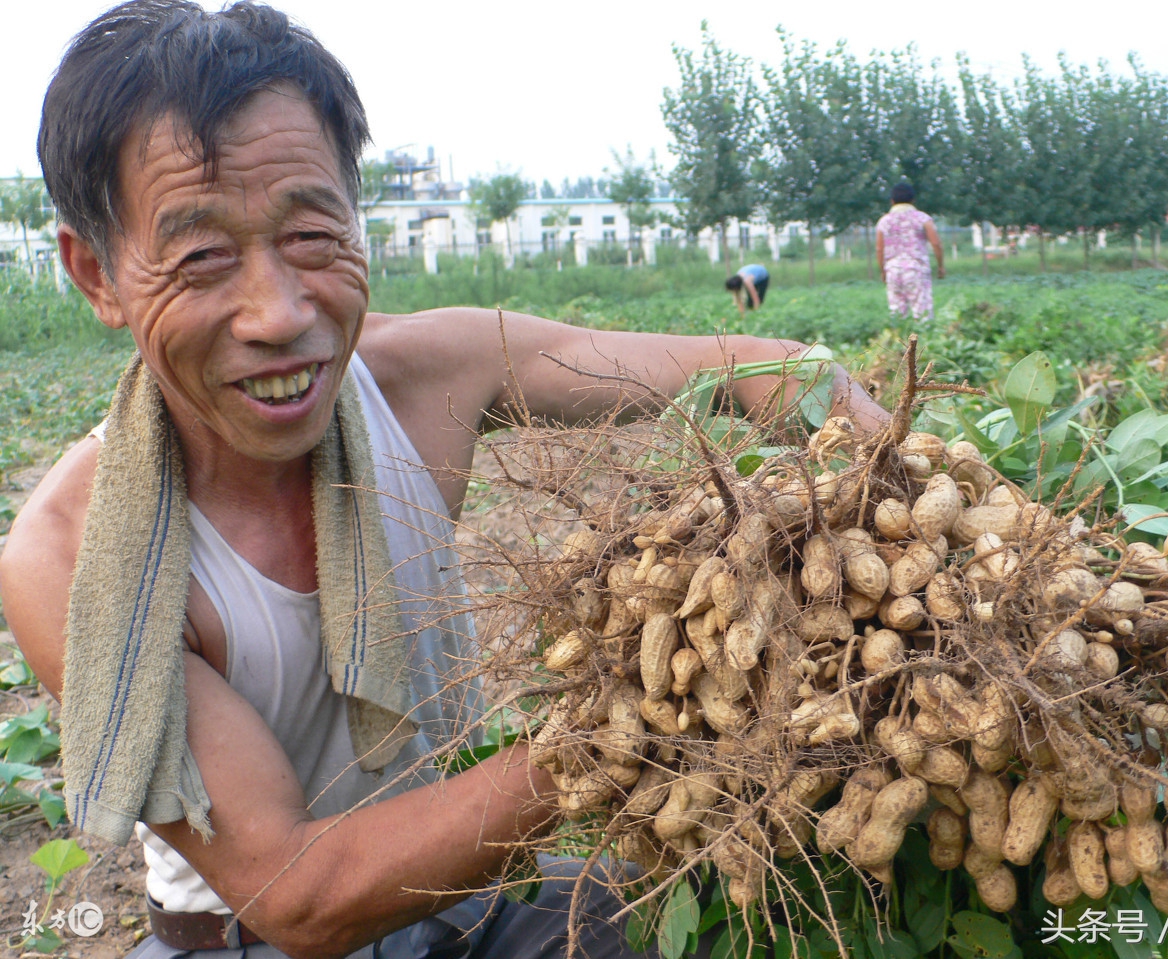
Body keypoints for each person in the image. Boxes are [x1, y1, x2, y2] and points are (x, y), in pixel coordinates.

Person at [0, 4, 890, 959]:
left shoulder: (421, 379)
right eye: (203, 256)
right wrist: (634, 713)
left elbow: (746, 368)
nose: (279, 313)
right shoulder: (74, 561)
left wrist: (873, 445)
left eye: (311, 235)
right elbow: (301, 895)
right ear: (97, 274)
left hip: (478, 899)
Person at [875, 183, 945, 321]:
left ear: (892, 201)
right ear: (913, 200)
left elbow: (879, 249)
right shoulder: (922, 218)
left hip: (893, 269)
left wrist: (883, 271)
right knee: (922, 313)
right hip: (916, 269)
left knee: (897, 313)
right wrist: (941, 266)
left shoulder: (884, 221)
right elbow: (936, 243)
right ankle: (922, 334)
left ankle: (898, 333)